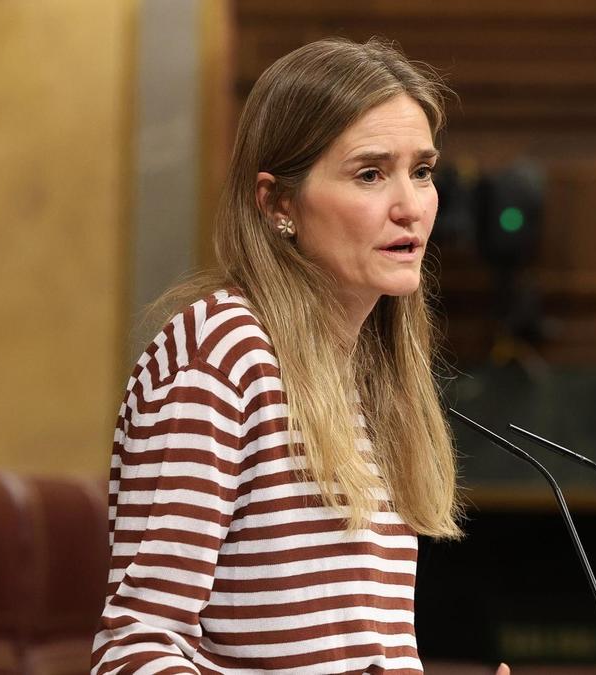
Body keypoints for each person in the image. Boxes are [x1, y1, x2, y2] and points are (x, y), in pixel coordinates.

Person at [92, 37, 508, 675]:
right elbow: (134, 652)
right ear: (278, 203)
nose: (410, 207)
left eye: (421, 171)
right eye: (370, 174)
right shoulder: (225, 354)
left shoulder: (372, 370)